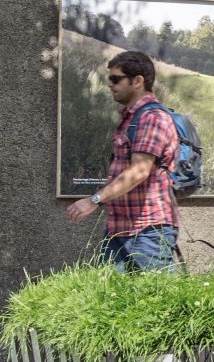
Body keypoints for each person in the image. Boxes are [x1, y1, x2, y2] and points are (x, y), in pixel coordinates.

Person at [63, 50, 182, 272]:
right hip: (120, 227)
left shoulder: (152, 118)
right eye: (110, 78)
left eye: (116, 79)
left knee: (159, 301)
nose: (109, 84)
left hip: (148, 230)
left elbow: (139, 171)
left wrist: (94, 200)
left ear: (137, 81)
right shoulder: (131, 118)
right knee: (108, 299)